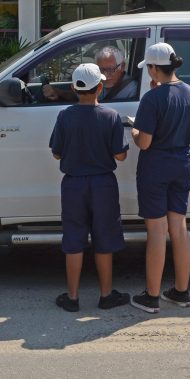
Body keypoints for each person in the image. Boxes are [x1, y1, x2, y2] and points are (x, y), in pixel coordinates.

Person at [49, 63, 131, 313]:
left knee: (73, 238)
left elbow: (56, 154)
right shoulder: (111, 116)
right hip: (103, 184)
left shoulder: (64, 116)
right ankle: (106, 295)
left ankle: (72, 297)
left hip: (73, 184)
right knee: (104, 237)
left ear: (74, 88)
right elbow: (120, 156)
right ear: (100, 87)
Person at [128, 43, 190, 314]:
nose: (148, 74)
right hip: (182, 163)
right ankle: (181, 291)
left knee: (157, 231)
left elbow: (144, 143)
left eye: (149, 69)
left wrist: (134, 129)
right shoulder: (189, 92)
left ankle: (152, 296)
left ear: (155, 69)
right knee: (179, 228)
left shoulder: (151, 99)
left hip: (156, 166)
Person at [43, 46, 139, 102]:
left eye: (110, 69)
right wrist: (57, 92)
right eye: (101, 69)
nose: (105, 74)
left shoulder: (132, 89)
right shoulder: (96, 80)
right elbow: (79, 96)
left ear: (122, 67)